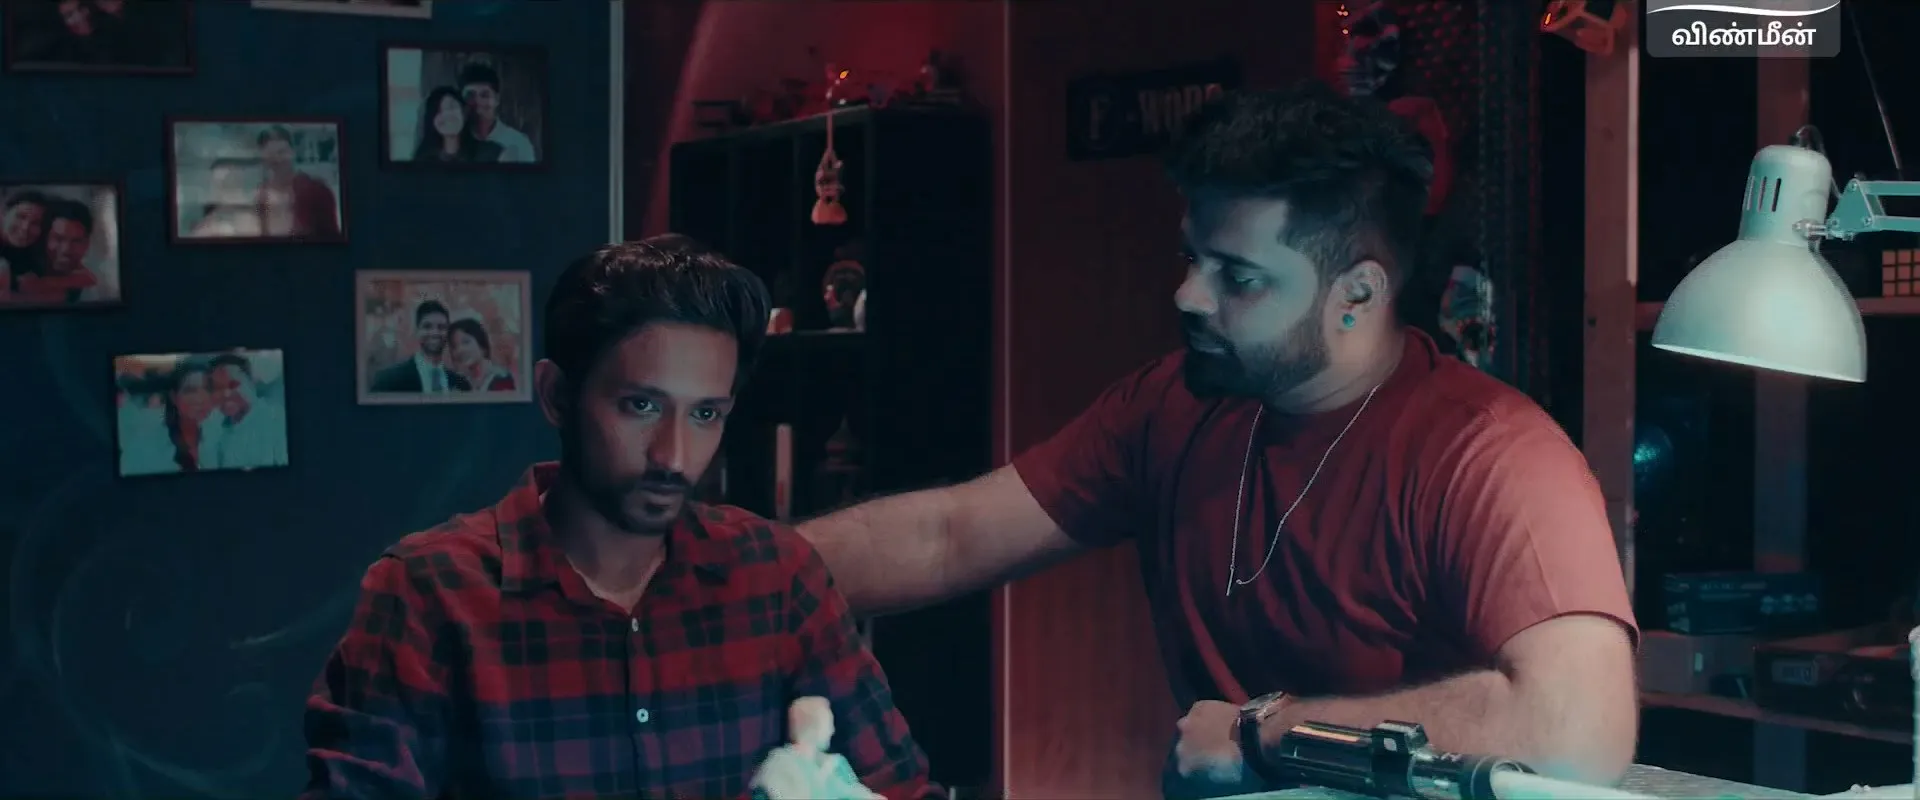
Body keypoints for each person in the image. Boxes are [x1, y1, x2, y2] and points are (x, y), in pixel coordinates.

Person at [798, 82, 1638, 790]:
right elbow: (949, 536)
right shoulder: (1171, 405)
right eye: (1192, 259)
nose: (1190, 297)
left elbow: (1577, 731)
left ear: (1357, 293)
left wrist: (1265, 732)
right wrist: (740, 568)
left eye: (1239, 276)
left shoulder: (1493, 456)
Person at [302, 234, 936, 800]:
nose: (674, 457)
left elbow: (902, 788)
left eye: (705, 414)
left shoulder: (777, 578)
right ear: (557, 396)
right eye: (641, 406)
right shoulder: (429, 594)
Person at [198, 352, 289, 471]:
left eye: (233, 385)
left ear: (250, 383)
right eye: (218, 388)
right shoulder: (213, 428)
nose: (226, 394)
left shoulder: (277, 419)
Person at [254, 125, 341, 239]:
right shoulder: (261, 196)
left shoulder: (318, 191)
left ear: (292, 153)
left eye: (281, 153)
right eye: (271, 156)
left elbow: (333, 237)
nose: (277, 160)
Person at [369, 300, 472, 393]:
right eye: (427, 326)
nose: (435, 333)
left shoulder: (461, 384)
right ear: (417, 331)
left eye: (441, 327)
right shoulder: (389, 380)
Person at [459, 62, 537, 163]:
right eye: (470, 95)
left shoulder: (519, 143)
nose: (478, 102)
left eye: (485, 95)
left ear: (497, 99)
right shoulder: (455, 143)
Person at [411, 86, 503, 163]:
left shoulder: (491, 154)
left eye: (451, 107)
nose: (447, 115)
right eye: (439, 111)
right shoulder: (422, 160)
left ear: (464, 113)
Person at [446, 317, 516, 391]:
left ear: (481, 345)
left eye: (466, 342)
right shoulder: (459, 383)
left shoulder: (502, 378)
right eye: (454, 346)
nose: (459, 350)